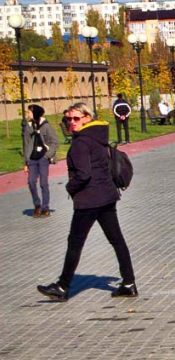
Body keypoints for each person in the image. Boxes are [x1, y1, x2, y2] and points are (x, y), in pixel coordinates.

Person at [36, 102, 137, 302]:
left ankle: (63, 286)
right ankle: (128, 283)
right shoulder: (98, 137)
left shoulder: (80, 143)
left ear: (87, 118)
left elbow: (83, 174)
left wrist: (70, 188)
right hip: (107, 196)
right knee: (117, 240)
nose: (71, 122)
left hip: (89, 200)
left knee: (75, 243)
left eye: (76, 118)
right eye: (68, 119)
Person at [23, 104, 60, 218]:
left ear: (35, 113)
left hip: (43, 158)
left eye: (29, 112)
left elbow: (55, 142)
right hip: (32, 158)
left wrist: (47, 155)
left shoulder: (46, 126)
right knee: (31, 182)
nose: (27, 114)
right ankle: (37, 205)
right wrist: (26, 162)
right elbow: (26, 145)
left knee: (43, 183)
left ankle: (45, 208)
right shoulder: (28, 127)